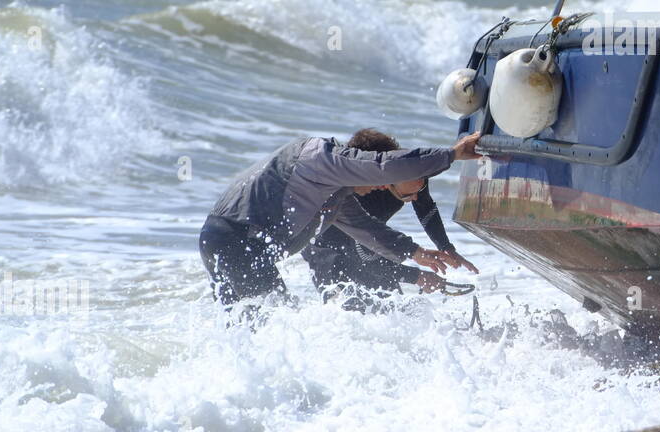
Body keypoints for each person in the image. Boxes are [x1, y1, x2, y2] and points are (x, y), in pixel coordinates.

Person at [198, 128, 481, 308]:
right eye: (378, 180)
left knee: (244, 331)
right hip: (239, 241)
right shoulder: (321, 157)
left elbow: (364, 228)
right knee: (275, 323)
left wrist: (416, 252)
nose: (380, 187)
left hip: (221, 240)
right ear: (362, 167)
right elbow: (385, 166)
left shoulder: (333, 193)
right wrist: (452, 154)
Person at [301, 129, 479, 310]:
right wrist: (416, 276)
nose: (418, 195)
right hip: (328, 253)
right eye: (412, 191)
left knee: (392, 310)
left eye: (422, 184)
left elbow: (426, 208)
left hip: (370, 251)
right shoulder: (363, 193)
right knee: (350, 312)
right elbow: (365, 252)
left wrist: (445, 246)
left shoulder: (409, 173)